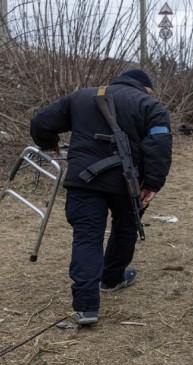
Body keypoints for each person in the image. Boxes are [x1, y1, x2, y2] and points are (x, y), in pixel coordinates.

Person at [29, 69, 172, 326]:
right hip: (128, 184)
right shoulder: (151, 105)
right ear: (147, 88)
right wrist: (152, 184)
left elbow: (41, 123)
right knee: (126, 229)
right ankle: (112, 278)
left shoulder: (80, 97)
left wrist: (50, 144)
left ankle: (86, 307)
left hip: (83, 181)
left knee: (87, 236)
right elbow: (159, 146)